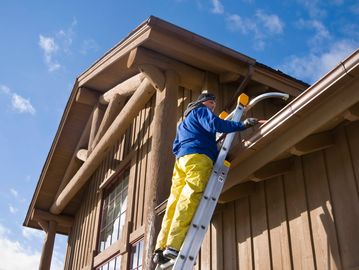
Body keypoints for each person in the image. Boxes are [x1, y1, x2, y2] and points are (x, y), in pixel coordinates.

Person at [153, 92, 259, 264]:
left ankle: (160, 248)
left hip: (181, 161)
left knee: (174, 201)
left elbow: (175, 147)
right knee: (190, 197)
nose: (213, 107)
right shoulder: (201, 111)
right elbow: (215, 123)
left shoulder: (184, 123)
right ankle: (174, 245)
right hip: (198, 157)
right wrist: (242, 125)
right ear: (204, 102)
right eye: (212, 104)